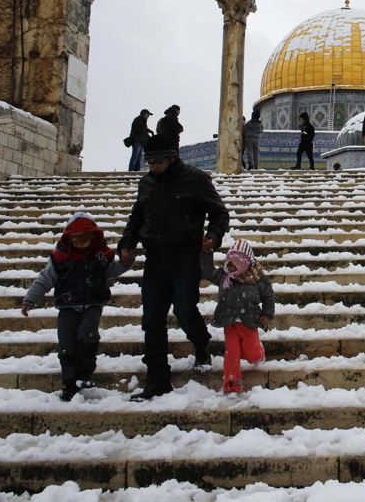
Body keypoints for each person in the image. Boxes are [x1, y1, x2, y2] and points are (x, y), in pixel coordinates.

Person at [118, 133, 230, 401]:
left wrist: (213, 236)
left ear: (172, 158)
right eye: (150, 162)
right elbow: (137, 217)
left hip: (185, 257)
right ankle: (158, 381)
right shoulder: (146, 184)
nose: (153, 167)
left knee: (184, 309)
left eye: (158, 162)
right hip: (155, 259)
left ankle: (201, 343)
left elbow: (219, 213)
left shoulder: (195, 179)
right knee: (152, 320)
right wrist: (127, 242)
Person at [22, 212, 134, 401]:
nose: (81, 244)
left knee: (88, 336)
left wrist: (126, 261)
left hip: (93, 303)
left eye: (85, 240)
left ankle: (86, 374)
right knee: (67, 344)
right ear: (69, 238)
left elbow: (113, 271)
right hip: (67, 305)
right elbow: (45, 279)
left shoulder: (101, 256)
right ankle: (69, 382)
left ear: (93, 237)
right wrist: (30, 299)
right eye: (76, 240)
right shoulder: (60, 258)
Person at [200, 239, 274, 394]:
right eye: (229, 263)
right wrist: (207, 253)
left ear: (245, 263)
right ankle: (232, 386)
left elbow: (268, 295)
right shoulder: (224, 277)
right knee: (232, 354)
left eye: (235, 264)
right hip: (230, 323)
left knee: (252, 355)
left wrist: (267, 313)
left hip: (250, 323)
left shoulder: (258, 279)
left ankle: (260, 353)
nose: (230, 267)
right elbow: (207, 271)